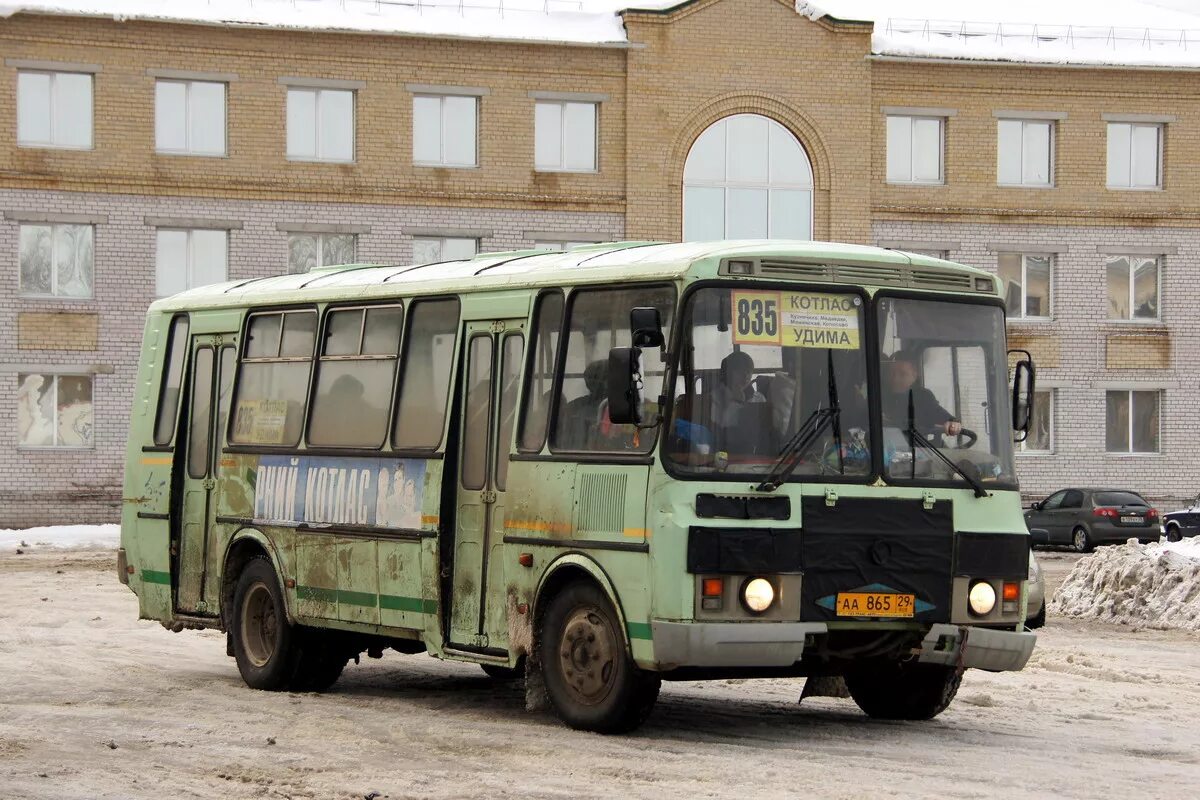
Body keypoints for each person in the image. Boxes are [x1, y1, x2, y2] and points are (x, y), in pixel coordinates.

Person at [882, 351, 961, 443]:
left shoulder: (923, 396)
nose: (895, 379)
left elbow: (940, 414)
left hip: (919, 450)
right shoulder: (878, 395)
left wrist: (953, 423)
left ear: (915, 375)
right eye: (892, 373)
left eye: (902, 374)